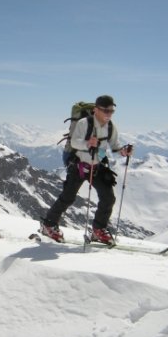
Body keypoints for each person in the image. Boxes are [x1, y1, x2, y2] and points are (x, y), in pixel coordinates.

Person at [41, 95, 133, 244]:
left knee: (108, 198)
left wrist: (123, 151)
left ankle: (98, 230)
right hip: (79, 165)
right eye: (106, 110)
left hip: (97, 165)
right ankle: (48, 225)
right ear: (96, 110)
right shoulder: (85, 123)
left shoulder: (110, 126)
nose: (109, 114)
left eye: (111, 111)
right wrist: (87, 143)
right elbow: (75, 142)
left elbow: (114, 145)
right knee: (68, 197)